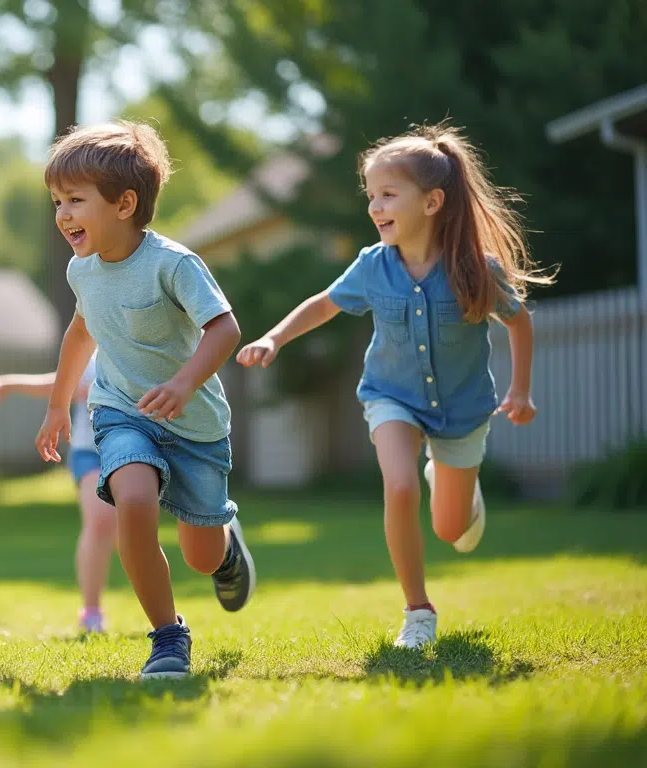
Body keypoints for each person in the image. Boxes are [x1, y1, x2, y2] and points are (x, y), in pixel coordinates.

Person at [236, 123, 550, 649]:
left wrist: (520, 391)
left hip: (462, 410)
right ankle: (418, 610)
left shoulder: (477, 269)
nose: (374, 207)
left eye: (387, 194)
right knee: (399, 486)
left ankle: (460, 491)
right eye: (371, 196)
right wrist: (274, 337)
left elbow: (518, 321)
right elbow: (324, 303)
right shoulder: (372, 267)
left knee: (452, 531)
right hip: (391, 397)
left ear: (432, 202)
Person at [33, 120, 256, 680]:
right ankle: (168, 637)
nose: (63, 214)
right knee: (131, 502)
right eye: (58, 201)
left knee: (200, 555)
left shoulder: (172, 264)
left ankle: (226, 548)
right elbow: (81, 332)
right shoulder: (80, 269)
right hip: (121, 411)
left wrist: (183, 383)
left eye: (76, 201)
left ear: (125, 203)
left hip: (194, 422)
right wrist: (60, 406)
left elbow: (224, 329)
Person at [0, 352, 116, 633]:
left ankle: (160, 613)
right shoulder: (96, 346)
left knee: (135, 532)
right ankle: (91, 612)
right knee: (101, 521)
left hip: (144, 450)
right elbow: (65, 385)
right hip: (91, 452)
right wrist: (7, 384)